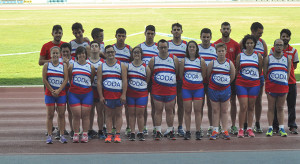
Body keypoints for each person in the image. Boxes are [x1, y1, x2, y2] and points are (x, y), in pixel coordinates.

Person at [148, 39, 179, 140]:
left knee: (170, 110)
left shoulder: (174, 59)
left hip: (170, 90)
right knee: (158, 110)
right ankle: (158, 131)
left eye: (165, 47)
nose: (163, 49)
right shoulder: (153, 60)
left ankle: (170, 130)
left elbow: (177, 73)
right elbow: (150, 73)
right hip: (157, 91)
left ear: (168, 47)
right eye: (161, 47)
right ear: (157, 48)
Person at [239, 22, 268, 133]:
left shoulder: (262, 43)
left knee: (257, 100)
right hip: (245, 78)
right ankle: (245, 124)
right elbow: (239, 57)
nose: (261, 35)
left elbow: (265, 59)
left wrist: (263, 74)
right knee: (245, 102)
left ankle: (257, 123)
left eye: (262, 32)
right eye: (259, 33)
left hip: (258, 77)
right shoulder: (244, 42)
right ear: (253, 31)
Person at [213, 22, 241, 135]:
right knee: (217, 104)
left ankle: (233, 125)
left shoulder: (235, 45)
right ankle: (218, 126)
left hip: (231, 78)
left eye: (227, 28)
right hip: (218, 78)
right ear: (220, 30)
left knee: (232, 102)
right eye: (224, 28)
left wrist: (233, 76)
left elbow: (238, 61)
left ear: (230, 30)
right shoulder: (215, 44)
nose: (226, 30)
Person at [271, 29, 299, 134]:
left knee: (291, 105)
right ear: (280, 37)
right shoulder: (273, 50)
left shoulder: (294, 51)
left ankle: (292, 125)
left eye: (287, 36)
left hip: (291, 82)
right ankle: (275, 126)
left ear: (290, 38)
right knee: (276, 106)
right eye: (283, 36)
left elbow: (294, 66)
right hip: (278, 82)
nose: (285, 38)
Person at [97, 45, 127, 143]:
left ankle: (117, 134)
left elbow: (125, 81)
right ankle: (109, 134)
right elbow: (99, 82)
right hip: (107, 95)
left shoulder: (121, 65)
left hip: (118, 95)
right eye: (108, 52)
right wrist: (101, 96)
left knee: (118, 114)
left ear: (115, 53)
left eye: (112, 52)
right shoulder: (101, 66)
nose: (110, 54)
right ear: (105, 54)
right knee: (108, 115)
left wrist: (123, 94)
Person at [236, 34, 263, 138]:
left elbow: (259, 70)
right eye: (247, 43)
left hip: (254, 84)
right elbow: (238, 69)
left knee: (251, 107)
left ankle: (250, 129)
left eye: (251, 43)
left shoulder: (258, 56)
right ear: (244, 44)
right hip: (241, 83)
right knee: (243, 106)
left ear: (254, 44)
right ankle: (241, 129)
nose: (250, 45)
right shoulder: (240, 56)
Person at [207, 43, 235, 140]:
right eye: (219, 51)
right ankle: (215, 130)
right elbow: (208, 74)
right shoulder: (212, 63)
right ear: (216, 52)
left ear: (226, 51)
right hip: (213, 90)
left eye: (223, 51)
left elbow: (232, 76)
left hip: (225, 90)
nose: (221, 53)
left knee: (224, 110)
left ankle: (225, 130)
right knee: (215, 110)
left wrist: (224, 83)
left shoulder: (229, 63)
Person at [179, 41, 206, 140]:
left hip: (198, 89)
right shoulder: (184, 61)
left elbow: (204, 74)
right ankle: (188, 131)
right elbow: (181, 75)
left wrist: (196, 82)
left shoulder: (201, 61)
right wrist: (188, 82)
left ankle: (198, 131)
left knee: (198, 111)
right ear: (187, 49)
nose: (191, 48)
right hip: (186, 89)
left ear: (196, 49)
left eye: (193, 47)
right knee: (187, 111)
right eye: (190, 47)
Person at [68, 46, 95, 143]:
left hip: (87, 94)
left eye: (83, 53)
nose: (81, 55)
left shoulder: (90, 67)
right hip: (74, 94)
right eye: (79, 53)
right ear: (77, 55)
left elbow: (91, 79)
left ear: (86, 55)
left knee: (85, 115)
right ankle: (76, 133)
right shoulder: (72, 66)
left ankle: (85, 134)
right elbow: (70, 78)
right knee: (76, 114)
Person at [265, 39, 291, 137]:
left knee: (280, 107)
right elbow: (265, 74)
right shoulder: (268, 58)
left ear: (283, 47)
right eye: (277, 45)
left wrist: (283, 83)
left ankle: (281, 128)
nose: (279, 47)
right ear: (274, 46)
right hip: (271, 87)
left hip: (283, 87)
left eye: (281, 45)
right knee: (271, 107)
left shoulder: (287, 59)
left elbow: (288, 73)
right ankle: (270, 128)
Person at [43, 46, 68, 144]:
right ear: (50, 54)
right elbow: (44, 79)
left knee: (61, 114)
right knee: (50, 114)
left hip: (61, 93)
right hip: (50, 94)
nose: (55, 55)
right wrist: (52, 90)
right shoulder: (47, 65)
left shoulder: (63, 66)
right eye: (53, 53)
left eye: (57, 53)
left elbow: (66, 79)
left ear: (60, 54)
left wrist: (59, 90)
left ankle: (61, 135)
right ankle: (49, 135)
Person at [127, 46, 151, 141]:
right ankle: (132, 132)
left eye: (138, 52)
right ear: (132, 55)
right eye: (135, 53)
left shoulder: (146, 67)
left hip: (142, 94)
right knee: (131, 114)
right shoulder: (128, 66)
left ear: (141, 54)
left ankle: (140, 132)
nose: (136, 54)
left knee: (140, 114)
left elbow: (147, 81)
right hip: (131, 94)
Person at [138, 25, 159, 135]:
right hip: (143, 80)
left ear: (154, 34)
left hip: (155, 80)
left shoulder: (158, 47)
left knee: (155, 105)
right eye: (148, 33)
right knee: (143, 105)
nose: (150, 35)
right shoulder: (140, 47)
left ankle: (156, 127)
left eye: (152, 33)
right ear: (145, 33)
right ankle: (144, 127)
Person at [168, 23, 187, 137]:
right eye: (174, 30)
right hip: (170, 79)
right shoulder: (167, 45)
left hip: (182, 79)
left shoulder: (185, 45)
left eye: (178, 30)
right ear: (171, 32)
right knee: (171, 104)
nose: (176, 31)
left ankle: (180, 126)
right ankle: (171, 127)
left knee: (181, 104)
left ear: (181, 31)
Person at [113, 28, 132, 136]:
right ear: (115, 36)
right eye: (119, 36)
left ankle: (129, 127)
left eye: (123, 36)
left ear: (125, 37)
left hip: (125, 81)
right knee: (115, 106)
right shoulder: (112, 48)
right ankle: (114, 127)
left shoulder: (129, 49)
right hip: (114, 82)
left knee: (128, 106)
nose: (121, 38)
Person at [198, 28, 217, 137]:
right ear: (200, 37)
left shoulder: (215, 49)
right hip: (199, 82)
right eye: (203, 37)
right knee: (199, 106)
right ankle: (199, 127)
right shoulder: (196, 49)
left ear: (211, 37)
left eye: (207, 37)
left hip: (211, 83)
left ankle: (212, 126)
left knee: (212, 105)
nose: (205, 39)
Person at [87, 41, 106, 139]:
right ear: (90, 49)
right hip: (89, 90)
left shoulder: (103, 62)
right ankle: (89, 130)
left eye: (96, 46)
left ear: (99, 49)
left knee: (100, 111)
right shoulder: (86, 62)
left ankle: (100, 130)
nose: (94, 48)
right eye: (92, 46)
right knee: (90, 111)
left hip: (99, 90)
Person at [60, 43, 75, 138]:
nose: (65, 54)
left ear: (70, 51)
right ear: (61, 52)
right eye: (63, 52)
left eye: (67, 52)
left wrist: (68, 64)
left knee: (71, 110)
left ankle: (73, 130)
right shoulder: (57, 61)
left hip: (71, 88)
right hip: (61, 88)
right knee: (60, 111)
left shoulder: (75, 60)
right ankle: (62, 130)